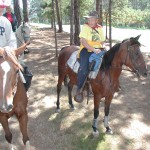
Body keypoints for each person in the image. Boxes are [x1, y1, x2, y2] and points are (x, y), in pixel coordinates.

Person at [0, 0, 28, 112]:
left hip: (7, 54)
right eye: (0, 7)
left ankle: (25, 90)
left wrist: (10, 51)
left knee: (22, 69)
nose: (1, 9)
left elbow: (11, 38)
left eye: (2, 7)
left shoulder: (5, 21)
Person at [74, 11, 105, 103]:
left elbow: (102, 41)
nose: (90, 21)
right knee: (84, 69)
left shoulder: (100, 28)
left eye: (92, 19)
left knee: (109, 63)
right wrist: (94, 49)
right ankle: (79, 89)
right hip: (86, 50)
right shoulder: (85, 27)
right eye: (89, 19)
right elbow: (83, 42)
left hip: (99, 49)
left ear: (96, 20)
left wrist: (103, 47)